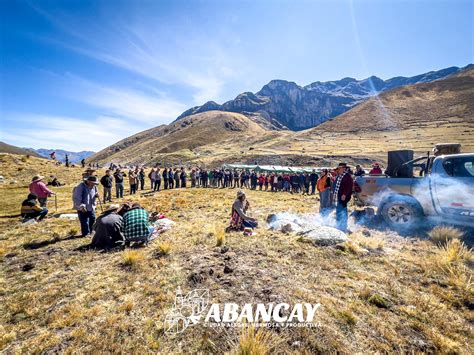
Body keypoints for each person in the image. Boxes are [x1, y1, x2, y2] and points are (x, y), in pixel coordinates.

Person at [333, 163, 353, 232]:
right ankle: (338, 225)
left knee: (343, 212)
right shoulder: (339, 175)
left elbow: (349, 187)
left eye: (339, 168)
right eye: (338, 168)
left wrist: (344, 194)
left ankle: (343, 226)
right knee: (338, 211)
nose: (338, 169)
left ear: (344, 168)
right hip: (338, 197)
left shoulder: (347, 176)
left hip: (343, 197)